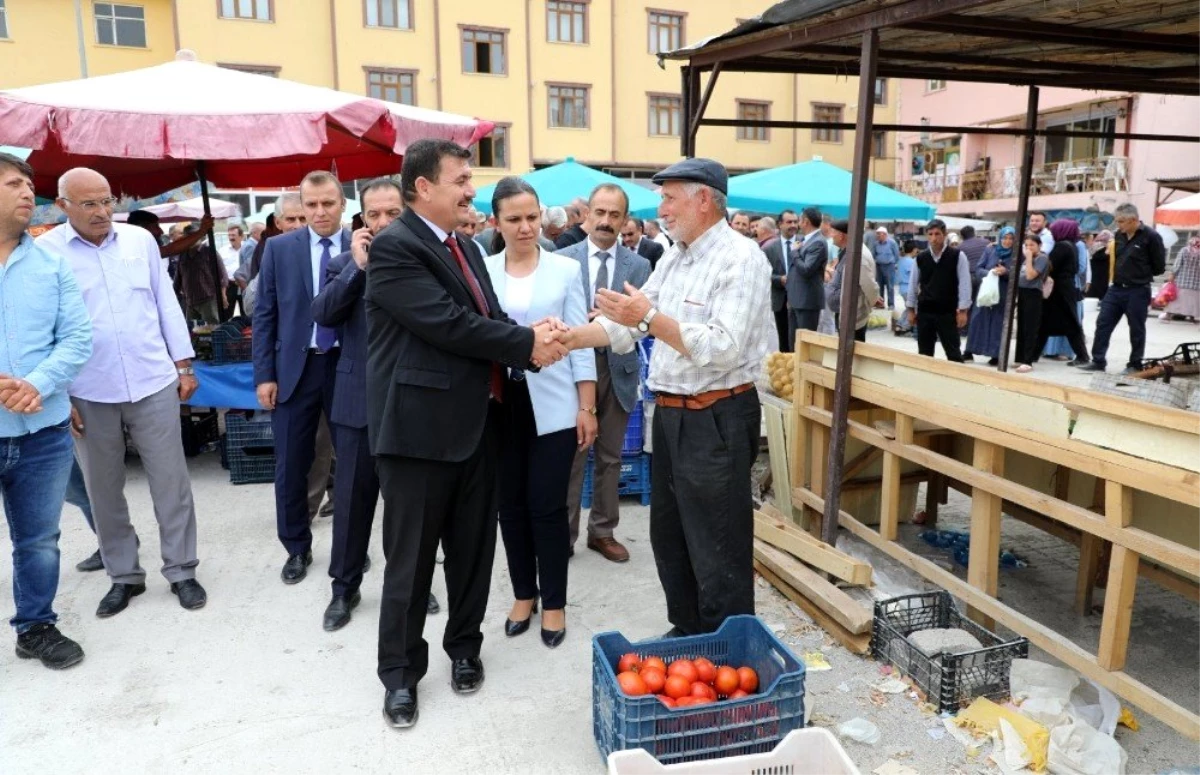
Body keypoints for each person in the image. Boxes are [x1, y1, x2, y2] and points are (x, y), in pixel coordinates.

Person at [365, 139, 567, 729]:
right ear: (423, 187)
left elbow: (489, 319)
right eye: (460, 179)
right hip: (419, 436)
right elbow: (448, 325)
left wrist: (536, 338)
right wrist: (526, 344)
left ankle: (465, 650)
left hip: (480, 426)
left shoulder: (465, 248)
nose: (471, 189)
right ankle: (400, 677)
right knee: (410, 564)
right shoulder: (396, 248)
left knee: (474, 555)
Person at [551, 157, 773, 637]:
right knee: (671, 535)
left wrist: (648, 318)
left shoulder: (741, 258)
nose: (662, 208)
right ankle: (688, 628)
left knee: (717, 540)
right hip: (671, 414)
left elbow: (721, 346)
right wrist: (570, 338)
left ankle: (727, 644)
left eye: (670, 197)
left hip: (718, 415)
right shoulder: (675, 254)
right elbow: (624, 325)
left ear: (703, 200)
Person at [39, 167, 206, 617]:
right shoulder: (46, 253)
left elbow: (164, 301)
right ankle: (124, 576)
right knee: (103, 488)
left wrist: (183, 363)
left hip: (152, 379)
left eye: (108, 201)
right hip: (87, 389)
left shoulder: (140, 241)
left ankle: (182, 570)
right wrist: (60, 393)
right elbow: (44, 329)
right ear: (63, 207)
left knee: (171, 480)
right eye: (89, 204)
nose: (102, 212)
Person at [310, 178, 436, 631]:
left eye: (392, 214)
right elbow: (323, 314)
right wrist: (358, 268)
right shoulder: (344, 264)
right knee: (351, 504)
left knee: (410, 508)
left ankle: (416, 586)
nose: (383, 224)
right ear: (361, 218)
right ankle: (343, 589)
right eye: (374, 215)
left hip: (412, 404)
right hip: (357, 402)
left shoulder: (426, 263)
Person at [484, 177, 597, 647]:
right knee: (509, 506)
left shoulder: (565, 271)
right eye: (514, 219)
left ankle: (554, 602)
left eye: (532, 216)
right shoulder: (481, 269)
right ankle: (523, 595)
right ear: (497, 222)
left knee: (547, 506)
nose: (526, 227)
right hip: (498, 405)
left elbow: (580, 344)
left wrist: (587, 405)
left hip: (553, 404)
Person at [0, 153, 93, 669]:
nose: (26, 193)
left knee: (39, 539)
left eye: (28, 184)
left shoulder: (52, 262)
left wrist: (36, 383)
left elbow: (78, 338)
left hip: (43, 430)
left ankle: (35, 626)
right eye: (14, 183)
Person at [252, 172, 350, 585]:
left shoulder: (364, 245)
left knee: (354, 466)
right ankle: (296, 547)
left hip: (349, 368)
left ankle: (351, 547)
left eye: (328, 203)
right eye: (311, 205)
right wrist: (264, 375)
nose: (320, 212)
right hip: (296, 368)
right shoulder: (279, 249)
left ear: (342, 203)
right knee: (291, 463)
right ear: (301, 207)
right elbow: (265, 314)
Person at [559, 185, 652, 563]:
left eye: (615, 215)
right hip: (573, 370)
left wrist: (618, 320)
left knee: (611, 455)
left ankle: (602, 531)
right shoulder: (563, 260)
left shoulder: (639, 266)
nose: (606, 221)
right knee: (572, 456)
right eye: (600, 212)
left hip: (619, 367)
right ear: (586, 215)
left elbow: (645, 321)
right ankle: (563, 535)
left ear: (625, 220)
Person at [1080, 204, 1166, 374]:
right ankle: (1098, 360)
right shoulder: (1119, 235)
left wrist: (1139, 271)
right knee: (1103, 323)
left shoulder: (1151, 236)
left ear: (1133, 220)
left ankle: (1135, 364)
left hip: (1138, 290)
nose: (1118, 225)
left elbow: (1159, 267)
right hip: (1116, 289)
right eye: (1117, 221)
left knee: (1136, 328)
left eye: (1121, 221)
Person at [905, 219, 971, 361]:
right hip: (925, 311)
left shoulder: (958, 256)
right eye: (930, 234)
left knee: (954, 354)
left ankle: (955, 382)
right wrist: (910, 310)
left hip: (947, 312)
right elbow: (913, 284)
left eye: (937, 234)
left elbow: (965, 285)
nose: (934, 238)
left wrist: (963, 310)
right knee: (924, 354)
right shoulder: (920, 258)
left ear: (945, 234)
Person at [1034, 219, 1090, 366]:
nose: (1052, 233)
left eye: (1054, 230)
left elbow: (1050, 265)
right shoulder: (1072, 246)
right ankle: (1032, 354)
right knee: (1045, 324)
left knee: (1067, 324)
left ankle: (1083, 356)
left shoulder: (1061, 247)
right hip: (1065, 289)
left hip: (1059, 291)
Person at [964, 226, 1015, 366]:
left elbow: (1018, 275)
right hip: (986, 290)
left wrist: (1005, 272)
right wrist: (990, 272)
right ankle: (969, 351)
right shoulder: (990, 250)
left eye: (1011, 238)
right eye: (1005, 238)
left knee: (998, 323)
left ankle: (996, 354)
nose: (1007, 241)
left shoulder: (1017, 254)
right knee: (978, 319)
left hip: (1003, 293)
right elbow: (979, 269)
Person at [826, 219, 879, 342]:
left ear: (841, 235)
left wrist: (870, 302)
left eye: (833, 232)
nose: (831, 235)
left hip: (854, 318)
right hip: (847, 314)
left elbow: (870, 287)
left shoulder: (858, 255)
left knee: (853, 355)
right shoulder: (849, 251)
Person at [173, 223, 230, 325]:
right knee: (193, 332)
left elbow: (223, 276)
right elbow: (178, 278)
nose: (190, 239)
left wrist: (223, 295)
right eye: (187, 236)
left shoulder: (209, 251)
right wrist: (174, 296)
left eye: (193, 235)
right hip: (190, 301)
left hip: (208, 300)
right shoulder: (183, 254)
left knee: (213, 329)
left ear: (200, 237)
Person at [787, 206, 828, 341]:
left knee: (804, 345)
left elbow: (806, 269)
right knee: (794, 344)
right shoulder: (806, 240)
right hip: (797, 299)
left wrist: (794, 253)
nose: (798, 224)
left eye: (799, 220)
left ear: (805, 221)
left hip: (807, 301)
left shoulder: (818, 242)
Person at [764, 210, 800, 352]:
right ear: (780, 225)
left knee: (799, 340)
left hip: (800, 300)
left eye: (795, 222)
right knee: (783, 340)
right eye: (789, 222)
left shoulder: (804, 243)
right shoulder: (770, 248)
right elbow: (765, 274)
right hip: (780, 300)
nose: (793, 225)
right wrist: (780, 279)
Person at [1014, 233, 1050, 373]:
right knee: (1022, 326)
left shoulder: (1042, 258)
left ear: (1039, 245)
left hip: (1033, 294)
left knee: (1030, 327)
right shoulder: (1028, 258)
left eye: (1032, 245)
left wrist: (1028, 258)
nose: (1029, 248)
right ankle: (1021, 357)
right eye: (1027, 245)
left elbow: (1030, 275)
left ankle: (1028, 360)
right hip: (1022, 293)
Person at [957, 225, 990, 359]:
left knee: (968, 305)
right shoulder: (987, 243)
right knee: (981, 306)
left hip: (969, 277)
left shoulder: (961, 246)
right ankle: (980, 330)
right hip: (985, 277)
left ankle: (966, 328)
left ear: (962, 235)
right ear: (974, 233)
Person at [1163, 234, 1200, 323]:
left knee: (1176, 299)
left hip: (1181, 280)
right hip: (1196, 282)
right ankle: (1192, 318)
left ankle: (1168, 315)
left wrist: (1172, 275)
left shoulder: (1184, 250)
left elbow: (1177, 264)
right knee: (1193, 301)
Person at [872, 226, 901, 310]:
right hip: (879, 266)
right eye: (877, 234)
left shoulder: (892, 243)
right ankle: (881, 304)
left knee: (890, 286)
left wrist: (894, 264)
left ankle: (891, 304)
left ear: (884, 234)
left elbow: (896, 255)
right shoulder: (876, 244)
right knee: (879, 286)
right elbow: (873, 255)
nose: (877, 236)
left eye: (879, 234)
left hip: (889, 266)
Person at [894, 240, 918, 334]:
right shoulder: (912, 262)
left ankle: (900, 324)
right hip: (909, 289)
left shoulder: (901, 260)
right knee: (913, 308)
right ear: (914, 250)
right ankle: (904, 326)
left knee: (909, 308)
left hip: (902, 288)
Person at [1087, 230, 1112, 300]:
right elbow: (1100, 256)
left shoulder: (1095, 245)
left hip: (1097, 271)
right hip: (1100, 271)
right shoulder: (1103, 247)